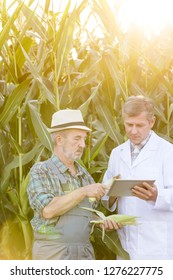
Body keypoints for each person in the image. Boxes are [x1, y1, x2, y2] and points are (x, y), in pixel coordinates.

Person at [27, 109, 118, 260]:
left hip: (84, 253)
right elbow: (48, 210)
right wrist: (83, 191)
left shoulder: (84, 175)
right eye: (77, 138)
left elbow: (87, 213)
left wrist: (102, 222)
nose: (82, 144)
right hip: (53, 254)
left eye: (83, 139)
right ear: (59, 139)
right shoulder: (41, 171)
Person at [102, 95, 173, 260]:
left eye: (139, 125)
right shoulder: (116, 154)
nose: (133, 131)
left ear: (152, 122)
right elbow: (106, 195)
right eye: (129, 124)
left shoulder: (168, 152)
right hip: (125, 246)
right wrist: (111, 195)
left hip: (158, 247)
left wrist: (157, 196)